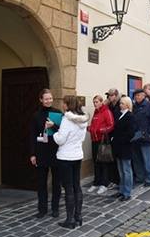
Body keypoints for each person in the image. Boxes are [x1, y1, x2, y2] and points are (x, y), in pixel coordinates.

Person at [54, 96, 89, 229]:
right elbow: (82, 137)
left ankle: (69, 220)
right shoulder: (82, 119)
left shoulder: (67, 119)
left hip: (66, 157)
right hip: (77, 155)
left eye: (64, 103)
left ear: (68, 104)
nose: (62, 105)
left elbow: (61, 139)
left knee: (68, 187)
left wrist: (56, 134)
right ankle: (78, 216)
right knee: (76, 186)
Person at [29, 89, 63, 218]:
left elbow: (63, 131)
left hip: (56, 152)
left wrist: (53, 126)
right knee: (41, 183)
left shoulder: (58, 113)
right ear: (41, 100)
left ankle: (55, 208)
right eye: (46, 98)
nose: (49, 100)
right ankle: (42, 209)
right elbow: (32, 135)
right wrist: (32, 154)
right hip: (41, 152)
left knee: (56, 182)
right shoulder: (36, 115)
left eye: (50, 98)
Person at [132, 89, 150, 187]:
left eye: (139, 95)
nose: (137, 97)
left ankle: (148, 179)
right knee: (137, 159)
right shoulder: (134, 106)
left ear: (143, 96)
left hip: (145, 137)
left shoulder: (149, 106)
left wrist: (149, 133)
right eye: (136, 95)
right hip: (135, 137)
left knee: (147, 159)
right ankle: (140, 177)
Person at [88, 95, 115, 195]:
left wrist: (101, 130)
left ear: (101, 102)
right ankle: (96, 182)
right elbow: (94, 125)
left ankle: (104, 184)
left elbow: (111, 125)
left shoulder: (106, 111)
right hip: (94, 140)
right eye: (94, 102)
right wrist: (89, 128)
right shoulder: (96, 112)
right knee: (96, 162)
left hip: (102, 141)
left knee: (103, 162)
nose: (95, 104)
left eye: (97, 102)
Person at [111, 97, 135, 201]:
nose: (120, 105)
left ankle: (127, 192)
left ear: (127, 105)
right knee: (120, 170)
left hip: (125, 147)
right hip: (118, 146)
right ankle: (121, 190)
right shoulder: (119, 115)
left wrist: (120, 139)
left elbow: (130, 133)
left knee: (126, 170)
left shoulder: (130, 116)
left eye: (122, 103)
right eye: (120, 103)